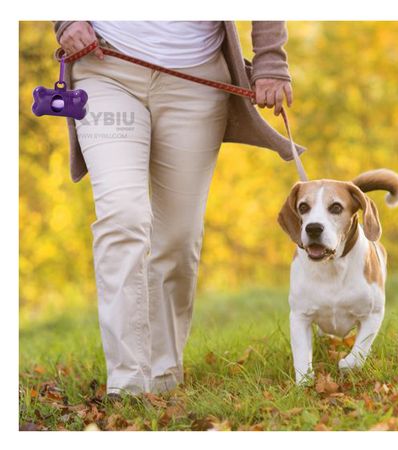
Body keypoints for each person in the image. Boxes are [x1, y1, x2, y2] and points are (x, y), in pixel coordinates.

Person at [53, 20, 301, 397]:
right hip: (106, 68)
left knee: (179, 239)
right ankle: (128, 382)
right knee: (122, 216)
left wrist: (270, 62)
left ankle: (163, 374)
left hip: (195, 80)